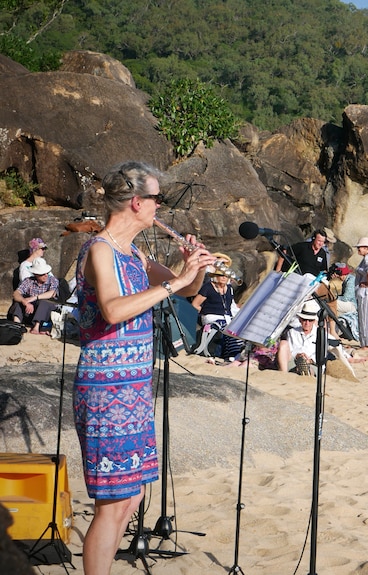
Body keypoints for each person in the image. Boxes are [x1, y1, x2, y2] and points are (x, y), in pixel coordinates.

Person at [73, 160, 214, 575]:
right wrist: (172, 283)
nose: (159, 207)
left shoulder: (133, 252)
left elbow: (184, 289)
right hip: (105, 391)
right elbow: (114, 310)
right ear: (136, 202)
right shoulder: (99, 249)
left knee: (130, 499)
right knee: (112, 504)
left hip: (133, 388)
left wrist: (197, 267)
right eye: (156, 199)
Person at [190, 253, 244, 363]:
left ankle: (233, 354)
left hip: (227, 317)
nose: (224, 278)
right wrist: (204, 312)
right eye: (221, 275)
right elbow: (195, 304)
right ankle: (227, 354)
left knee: (236, 329)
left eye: (226, 276)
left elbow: (231, 306)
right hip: (211, 317)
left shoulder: (229, 289)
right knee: (224, 327)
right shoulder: (208, 287)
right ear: (216, 276)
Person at [9, 258, 59, 335]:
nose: (45, 275)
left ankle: (37, 326)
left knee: (44, 302)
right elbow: (16, 293)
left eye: (46, 273)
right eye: (42, 273)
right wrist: (24, 301)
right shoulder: (28, 281)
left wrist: (34, 297)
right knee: (18, 302)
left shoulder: (53, 280)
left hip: (46, 311)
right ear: (36, 274)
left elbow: (52, 293)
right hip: (30, 310)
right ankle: (16, 324)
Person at [277, 300, 322, 375]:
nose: (307, 323)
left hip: (311, 363)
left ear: (314, 321)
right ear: (300, 320)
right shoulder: (292, 332)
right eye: (304, 320)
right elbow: (289, 351)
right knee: (283, 343)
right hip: (294, 360)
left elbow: (326, 351)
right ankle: (284, 374)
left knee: (309, 368)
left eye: (310, 320)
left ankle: (306, 372)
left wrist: (310, 360)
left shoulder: (320, 334)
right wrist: (298, 355)